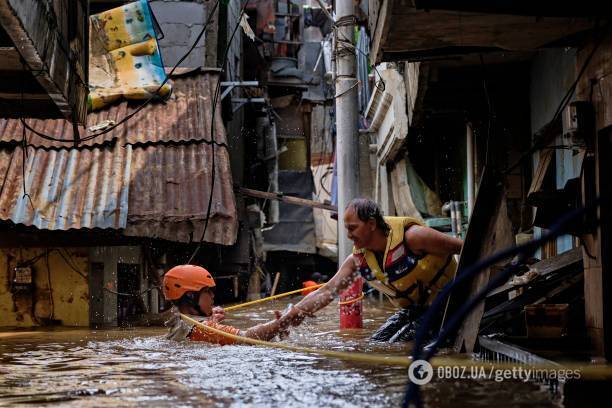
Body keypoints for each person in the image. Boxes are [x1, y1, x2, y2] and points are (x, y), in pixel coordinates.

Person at [280, 198, 463, 342]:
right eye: (347, 229)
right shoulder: (357, 260)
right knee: (377, 343)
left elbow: (468, 248)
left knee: (397, 347)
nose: (349, 235)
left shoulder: (414, 237)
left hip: (449, 305)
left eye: (353, 228)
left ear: (372, 224)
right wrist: (295, 313)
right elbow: (328, 291)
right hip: (415, 311)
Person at [163, 264, 288, 344]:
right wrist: (280, 322)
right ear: (190, 296)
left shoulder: (179, 321)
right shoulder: (201, 329)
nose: (213, 296)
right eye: (207, 291)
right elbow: (248, 338)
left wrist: (211, 323)